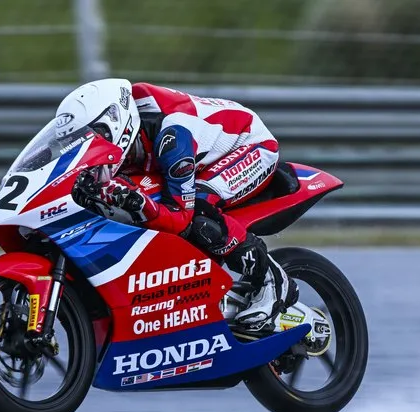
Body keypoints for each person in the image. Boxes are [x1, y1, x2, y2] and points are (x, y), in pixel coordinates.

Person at [67, 78, 297, 327]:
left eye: (96, 135)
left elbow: (180, 219)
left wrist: (139, 203)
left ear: (115, 122)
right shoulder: (128, 128)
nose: (90, 144)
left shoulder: (173, 137)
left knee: (199, 211)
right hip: (196, 153)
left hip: (249, 145)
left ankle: (273, 280)